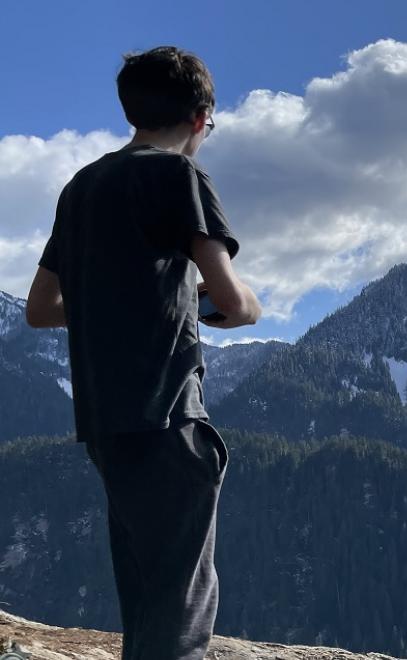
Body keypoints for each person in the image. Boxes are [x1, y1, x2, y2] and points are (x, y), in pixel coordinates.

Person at [24, 45, 261, 660]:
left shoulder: (82, 186)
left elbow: (41, 308)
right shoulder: (178, 175)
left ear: (131, 111)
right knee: (182, 605)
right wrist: (208, 301)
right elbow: (234, 305)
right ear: (201, 118)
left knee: (145, 598)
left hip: (106, 426)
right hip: (169, 418)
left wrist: (122, 298)